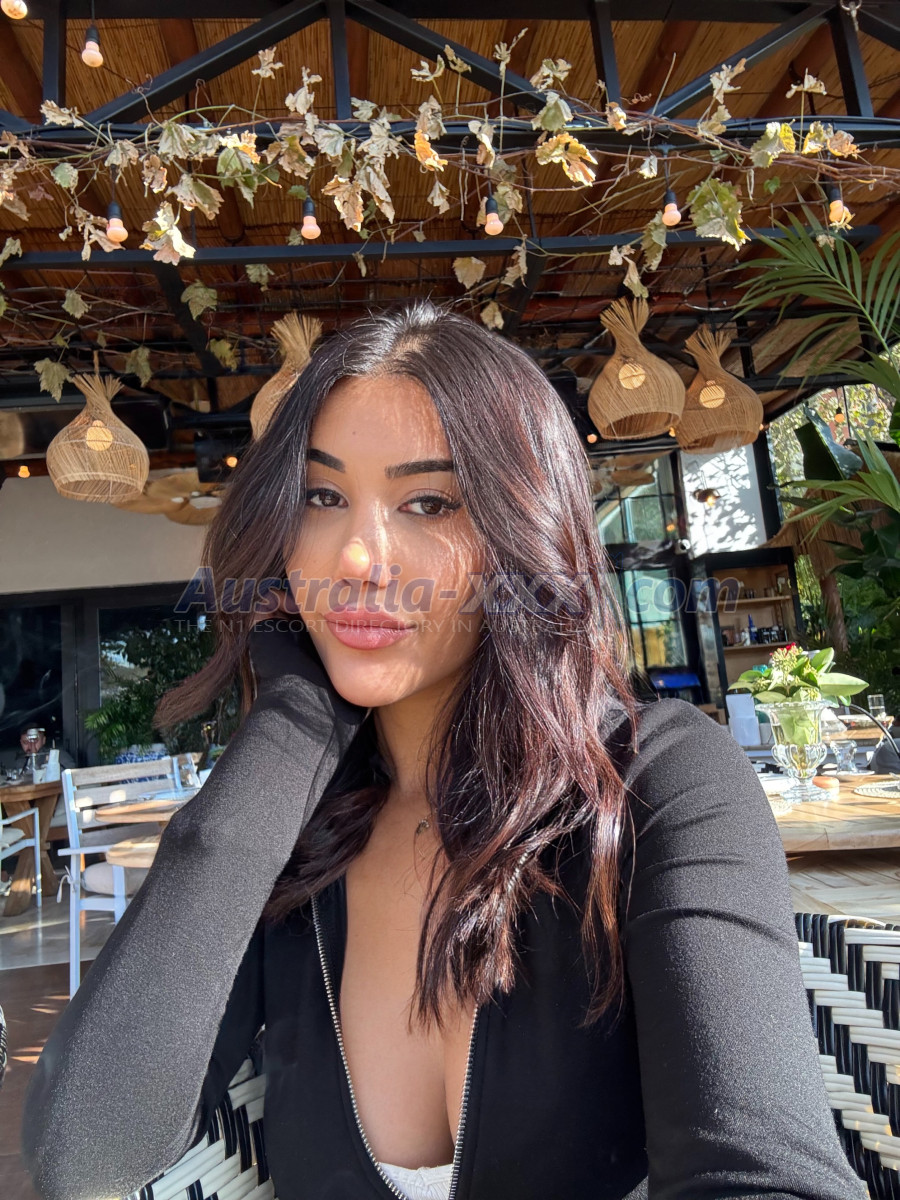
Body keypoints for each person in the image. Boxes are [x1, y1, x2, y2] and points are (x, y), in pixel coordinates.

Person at [21, 300, 866, 1200]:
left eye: (428, 502)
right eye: (321, 497)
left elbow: (762, 1173)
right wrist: (291, 723)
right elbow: (85, 1152)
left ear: (521, 535)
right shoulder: (289, 830)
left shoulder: (659, 780)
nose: (357, 558)